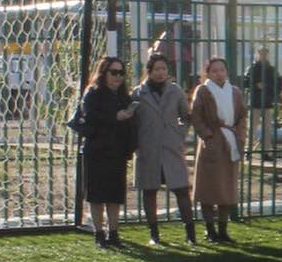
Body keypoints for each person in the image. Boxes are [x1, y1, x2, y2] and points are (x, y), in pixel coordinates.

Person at [132, 52, 197, 247]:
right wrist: (138, 143)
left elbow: (186, 116)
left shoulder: (175, 91)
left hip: (171, 147)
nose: (161, 73)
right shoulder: (138, 93)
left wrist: (179, 134)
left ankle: (190, 233)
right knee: (149, 191)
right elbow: (133, 121)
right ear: (149, 71)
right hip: (148, 149)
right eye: (157, 69)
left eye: (164, 69)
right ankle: (154, 234)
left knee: (181, 190)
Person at [78, 54, 138, 248]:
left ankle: (113, 233)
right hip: (97, 150)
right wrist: (115, 116)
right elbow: (90, 117)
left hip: (117, 151)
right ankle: (99, 233)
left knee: (114, 195)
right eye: (114, 72)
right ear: (103, 73)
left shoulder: (123, 96)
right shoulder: (93, 93)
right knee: (96, 195)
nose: (118, 76)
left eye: (121, 72)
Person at [190, 56, 246, 244]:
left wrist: (240, 137)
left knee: (226, 189)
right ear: (208, 73)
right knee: (208, 189)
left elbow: (242, 116)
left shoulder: (235, 92)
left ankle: (223, 231)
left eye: (222, 70)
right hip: (212, 143)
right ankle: (210, 230)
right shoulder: (203, 91)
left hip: (230, 143)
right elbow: (196, 116)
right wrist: (207, 136)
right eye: (214, 71)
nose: (219, 74)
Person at [242, 47, 282, 154]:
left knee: (267, 129)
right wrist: (256, 85)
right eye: (261, 54)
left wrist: (270, 90)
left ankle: (266, 152)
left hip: (267, 103)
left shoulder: (271, 69)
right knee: (252, 129)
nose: (263, 56)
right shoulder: (252, 68)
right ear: (257, 55)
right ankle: (249, 150)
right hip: (255, 102)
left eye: (265, 54)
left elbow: (278, 84)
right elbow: (245, 82)